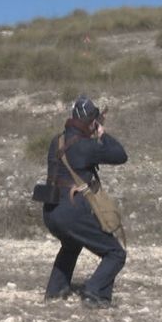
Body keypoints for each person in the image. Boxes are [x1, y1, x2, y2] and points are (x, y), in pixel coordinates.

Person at [36, 96, 128, 307]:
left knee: (71, 244)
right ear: (91, 122)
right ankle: (94, 291)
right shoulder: (86, 146)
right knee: (115, 253)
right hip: (72, 211)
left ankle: (56, 291)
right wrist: (103, 134)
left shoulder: (56, 141)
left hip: (51, 210)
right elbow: (121, 155)